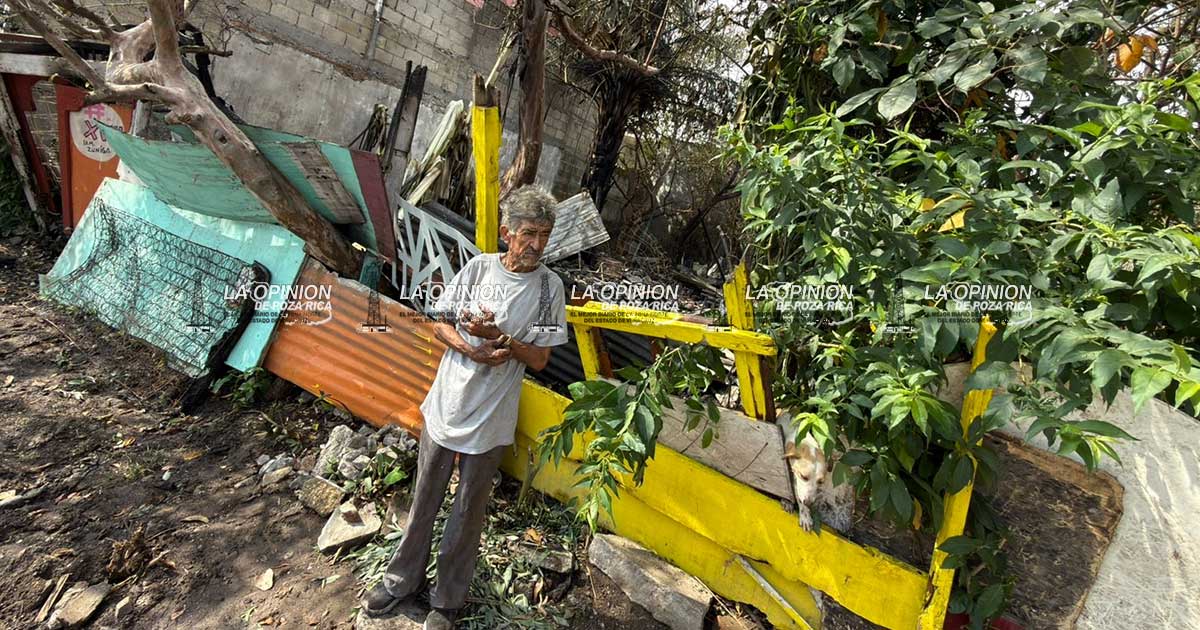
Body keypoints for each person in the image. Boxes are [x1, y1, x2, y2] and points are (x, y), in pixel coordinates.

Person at [360, 185, 569, 630]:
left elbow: (541, 358)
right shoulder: (478, 269)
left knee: (468, 512)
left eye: (544, 235)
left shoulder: (550, 289)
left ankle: (447, 600)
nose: (536, 244)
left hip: (493, 418)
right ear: (507, 233)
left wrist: (505, 341)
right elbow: (440, 324)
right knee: (425, 498)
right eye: (529, 233)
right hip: (447, 405)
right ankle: (401, 581)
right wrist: (471, 347)